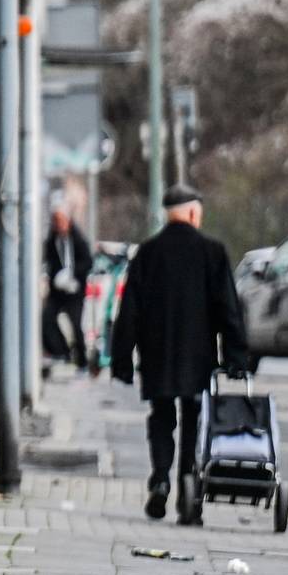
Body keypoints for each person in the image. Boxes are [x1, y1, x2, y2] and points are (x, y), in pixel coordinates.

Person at [110, 185, 251, 525]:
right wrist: (236, 357)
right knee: (193, 420)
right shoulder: (212, 252)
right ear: (192, 213)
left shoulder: (147, 253)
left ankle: (160, 478)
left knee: (161, 416)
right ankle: (189, 488)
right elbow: (228, 310)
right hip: (197, 356)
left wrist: (122, 360)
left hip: (156, 355)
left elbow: (128, 311)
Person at [43, 202, 96, 369]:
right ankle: (61, 352)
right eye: (56, 221)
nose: (59, 225)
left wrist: (72, 274)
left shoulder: (78, 239)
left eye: (62, 220)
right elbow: (50, 262)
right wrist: (55, 278)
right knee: (46, 319)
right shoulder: (52, 240)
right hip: (58, 291)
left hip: (75, 291)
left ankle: (82, 361)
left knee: (76, 324)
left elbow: (87, 262)